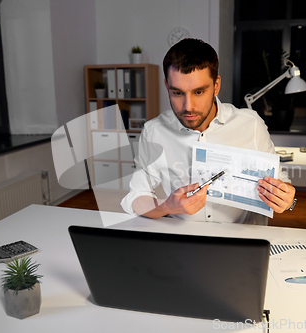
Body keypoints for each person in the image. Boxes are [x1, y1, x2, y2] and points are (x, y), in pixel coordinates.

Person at [121, 38, 296, 224]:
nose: (188, 107)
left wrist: (287, 199)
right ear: (167, 87)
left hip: (241, 242)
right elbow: (135, 198)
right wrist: (167, 206)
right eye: (178, 93)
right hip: (184, 241)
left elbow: (281, 183)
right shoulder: (154, 131)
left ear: (216, 86)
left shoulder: (251, 125)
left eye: (198, 92)